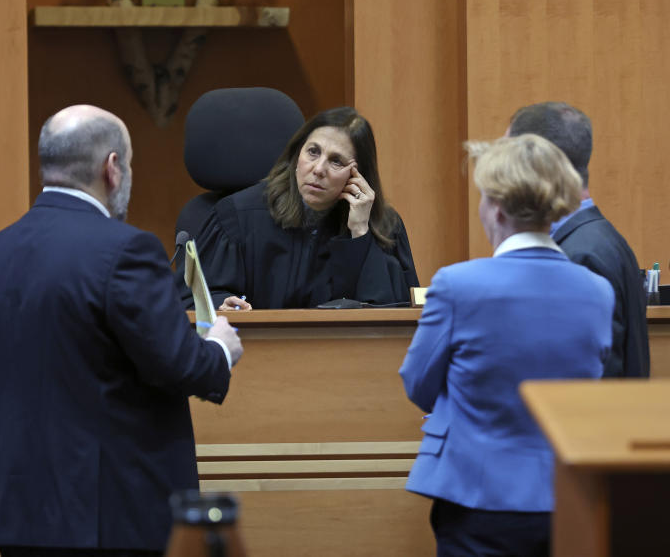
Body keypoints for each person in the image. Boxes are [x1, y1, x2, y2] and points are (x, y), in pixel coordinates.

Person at [0, 104, 244, 556]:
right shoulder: (127, 250)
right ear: (112, 167)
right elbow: (179, 365)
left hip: (24, 518)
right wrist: (218, 350)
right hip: (113, 517)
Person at [399, 134, 613, 557]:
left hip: (476, 495)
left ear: (495, 206)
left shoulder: (457, 285)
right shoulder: (598, 291)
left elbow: (417, 384)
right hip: (565, 493)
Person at [180, 106, 418, 311]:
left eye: (336, 161)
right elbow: (191, 299)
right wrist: (222, 303)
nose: (318, 169)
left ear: (358, 176)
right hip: (253, 357)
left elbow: (394, 320)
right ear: (296, 155)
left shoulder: (385, 227)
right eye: (313, 152)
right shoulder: (237, 216)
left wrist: (360, 233)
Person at [508, 101, 649, 378]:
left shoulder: (580, 256)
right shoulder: (598, 239)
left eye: (506, 157)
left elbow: (587, 378)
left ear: (535, 162)